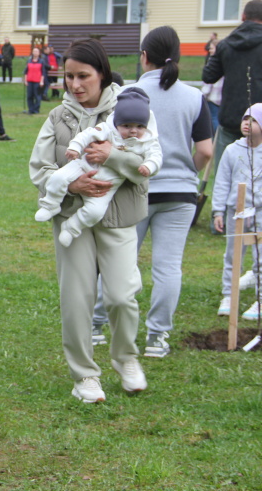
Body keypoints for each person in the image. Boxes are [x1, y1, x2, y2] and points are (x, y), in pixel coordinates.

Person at [30, 38, 149, 403]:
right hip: (70, 217)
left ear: (103, 75)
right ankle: (84, 376)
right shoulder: (57, 117)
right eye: (69, 76)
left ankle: (126, 358)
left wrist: (113, 155)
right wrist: (71, 182)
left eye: (84, 76)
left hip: (118, 218)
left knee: (121, 296)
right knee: (76, 298)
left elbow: (145, 168)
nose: (75, 84)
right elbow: (39, 167)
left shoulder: (131, 108)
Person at [92, 26, 213, 358]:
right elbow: (205, 150)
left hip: (133, 189)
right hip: (180, 193)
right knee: (168, 267)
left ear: (144, 57)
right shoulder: (194, 96)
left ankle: (96, 325)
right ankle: (157, 338)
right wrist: (184, 168)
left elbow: (105, 141)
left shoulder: (126, 93)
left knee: (118, 260)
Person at [36, 88, 163, 247]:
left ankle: (71, 228)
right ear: (117, 123)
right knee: (58, 177)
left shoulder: (147, 141)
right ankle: (50, 204)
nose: (133, 131)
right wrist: (75, 147)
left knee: (95, 212)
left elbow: (156, 156)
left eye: (139, 126)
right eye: (127, 125)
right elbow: (87, 135)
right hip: (83, 166)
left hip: (107, 184)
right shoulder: (108, 129)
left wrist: (149, 166)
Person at [213, 104, 262, 320]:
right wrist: (218, 211)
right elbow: (221, 182)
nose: (247, 124)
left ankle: (260, 299)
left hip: (261, 212)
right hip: (237, 211)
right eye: (245, 119)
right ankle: (228, 295)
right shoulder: (232, 150)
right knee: (233, 255)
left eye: (254, 121)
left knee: (260, 257)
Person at [203, 0, 262, 173]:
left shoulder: (226, 44)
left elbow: (209, 75)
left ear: (243, 17)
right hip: (260, 120)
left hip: (231, 118)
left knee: (225, 174)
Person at [23, 47, 46, 115]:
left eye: (36, 51)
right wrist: (25, 80)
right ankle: (31, 109)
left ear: (39, 53)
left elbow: (43, 72)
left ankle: (36, 110)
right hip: (29, 81)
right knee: (29, 96)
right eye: (34, 51)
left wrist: (41, 81)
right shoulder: (29, 61)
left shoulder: (41, 61)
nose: (35, 53)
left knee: (37, 96)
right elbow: (26, 72)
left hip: (37, 81)